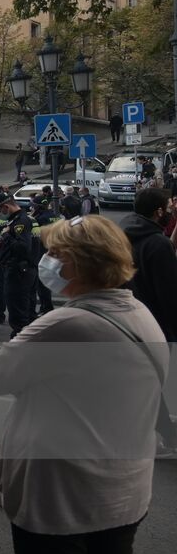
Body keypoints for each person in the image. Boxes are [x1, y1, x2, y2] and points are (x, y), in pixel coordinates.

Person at [0, 214, 169, 554]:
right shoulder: (138, 311)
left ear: (78, 264)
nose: (47, 260)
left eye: (55, 253)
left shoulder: (66, 324)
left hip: (63, 499)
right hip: (122, 492)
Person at [119, 187, 177, 456]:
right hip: (156, 325)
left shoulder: (123, 233)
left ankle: (160, 435)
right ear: (158, 212)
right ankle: (164, 434)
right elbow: (169, 294)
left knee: (146, 382)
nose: (170, 210)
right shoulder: (158, 244)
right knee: (152, 384)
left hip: (128, 318)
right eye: (168, 206)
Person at [0, 191, 35, 338]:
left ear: (6, 206)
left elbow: (23, 248)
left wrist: (6, 236)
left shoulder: (21, 221)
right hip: (13, 268)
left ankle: (19, 339)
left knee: (17, 310)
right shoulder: (14, 220)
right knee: (15, 306)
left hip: (19, 271)